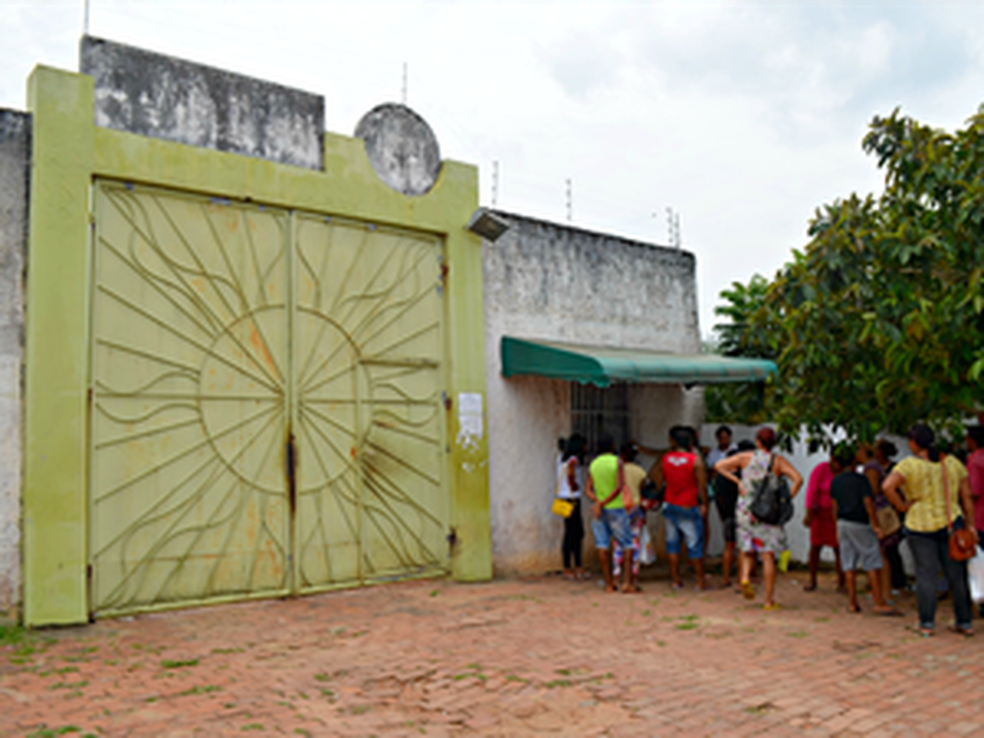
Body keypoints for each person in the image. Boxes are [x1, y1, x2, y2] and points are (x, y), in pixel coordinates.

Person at [882, 424, 976, 637]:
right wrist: (970, 524)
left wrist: (902, 506)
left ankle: (926, 623)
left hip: (919, 525)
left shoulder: (908, 466)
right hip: (952, 524)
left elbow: (887, 486)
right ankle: (964, 621)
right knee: (957, 576)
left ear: (914, 442)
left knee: (926, 574)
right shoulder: (952, 463)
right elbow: (967, 497)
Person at [714, 427, 803, 610]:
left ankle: (745, 577)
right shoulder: (777, 461)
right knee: (767, 555)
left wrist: (738, 481)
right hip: (768, 511)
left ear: (757, 441)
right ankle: (769, 601)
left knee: (746, 548)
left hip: (746, 508)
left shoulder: (745, 457)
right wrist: (785, 499)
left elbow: (718, 466)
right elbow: (798, 479)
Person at [829, 443, 900, 616]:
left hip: (843, 522)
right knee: (872, 560)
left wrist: (836, 525)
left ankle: (853, 602)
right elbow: (868, 503)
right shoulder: (861, 480)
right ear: (854, 462)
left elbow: (834, 506)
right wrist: (875, 525)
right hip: (860, 522)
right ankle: (879, 601)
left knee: (849, 563)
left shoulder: (836, 481)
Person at [585, 433, 638, 594]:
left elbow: (588, 489)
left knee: (602, 545)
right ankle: (626, 582)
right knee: (627, 544)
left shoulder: (593, 464)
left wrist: (598, 502)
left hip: (598, 510)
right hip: (615, 507)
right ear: (612, 447)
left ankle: (609, 583)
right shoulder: (617, 462)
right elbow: (619, 487)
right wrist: (605, 502)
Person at [657, 426, 708, 590]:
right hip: (689, 505)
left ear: (672, 441)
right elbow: (702, 485)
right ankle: (700, 582)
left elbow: (658, 479)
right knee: (694, 544)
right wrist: (704, 504)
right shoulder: (695, 460)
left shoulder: (665, 458)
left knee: (672, 544)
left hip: (669, 503)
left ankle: (675, 580)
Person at [858, 442, 903, 597]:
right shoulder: (873, 466)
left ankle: (883, 590)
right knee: (882, 552)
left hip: (877, 512)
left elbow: (873, 490)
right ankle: (883, 589)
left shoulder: (871, 467)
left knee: (880, 552)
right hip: (879, 510)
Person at [803, 452, 846, 592]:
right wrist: (809, 513)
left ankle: (842, 581)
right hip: (820, 514)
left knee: (839, 549)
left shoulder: (846, 471)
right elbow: (812, 491)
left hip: (838, 515)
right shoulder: (821, 469)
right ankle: (812, 580)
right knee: (815, 547)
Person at [712, 443, 749, 589]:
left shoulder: (721, 478)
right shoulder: (743, 476)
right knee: (742, 550)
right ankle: (741, 581)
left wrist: (722, 514)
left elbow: (718, 497)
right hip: (742, 515)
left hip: (727, 515)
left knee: (728, 547)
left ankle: (725, 579)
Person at [612, 443, 649, 588]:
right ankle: (634, 574)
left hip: (619, 508)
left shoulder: (617, 470)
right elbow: (643, 489)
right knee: (635, 542)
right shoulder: (640, 471)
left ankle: (616, 574)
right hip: (636, 508)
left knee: (618, 543)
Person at [557, 433, 587, 581]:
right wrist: (573, 484)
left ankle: (570, 566)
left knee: (570, 532)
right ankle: (573, 566)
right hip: (572, 498)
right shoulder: (573, 459)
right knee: (576, 533)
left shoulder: (560, 458)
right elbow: (570, 472)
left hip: (562, 498)